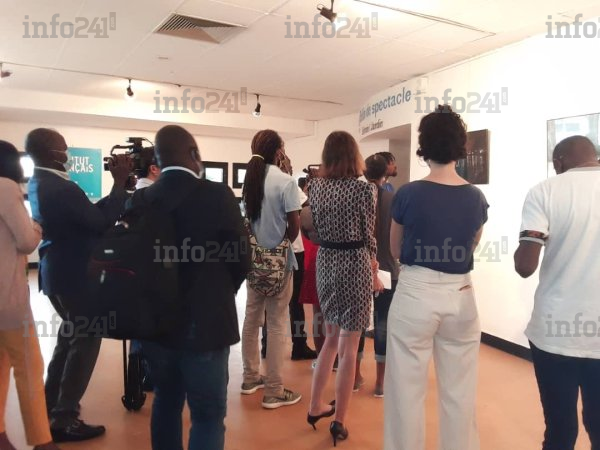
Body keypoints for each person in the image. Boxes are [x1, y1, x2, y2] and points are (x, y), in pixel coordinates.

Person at [130, 125, 249, 450]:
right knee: (208, 416)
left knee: (165, 402)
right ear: (194, 156)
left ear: (158, 160)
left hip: (155, 326)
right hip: (207, 324)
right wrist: (223, 291)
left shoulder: (141, 200)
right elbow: (242, 259)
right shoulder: (218, 195)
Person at [384, 105, 488, 450]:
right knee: (460, 392)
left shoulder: (408, 193)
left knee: (405, 389)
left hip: (416, 292)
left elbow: (395, 249)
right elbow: (472, 243)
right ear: (460, 147)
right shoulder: (476, 197)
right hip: (462, 295)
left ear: (424, 146)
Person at [26, 128, 130, 442]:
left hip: (56, 273)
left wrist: (116, 192)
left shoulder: (40, 182)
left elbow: (87, 216)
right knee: (86, 340)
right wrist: (119, 184)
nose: (67, 151)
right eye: (63, 147)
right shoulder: (61, 187)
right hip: (75, 275)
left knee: (69, 338)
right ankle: (65, 418)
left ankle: (50, 404)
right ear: (50, 153)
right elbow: (100, 223)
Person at [514, 135, 600, 450]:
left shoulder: (545, 191)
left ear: (558, 162)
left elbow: (525, 266)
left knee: (560, 430)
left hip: (554, 332)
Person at [307, 131, 382, 446]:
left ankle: (314, 406)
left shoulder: (316, 186)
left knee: (330, 340)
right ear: (354, 155)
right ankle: (339, 421)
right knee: (350, 347)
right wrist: (374, 270)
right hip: (354, 263)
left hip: (326, 261)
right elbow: (368, 236)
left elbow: (313, 227)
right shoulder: (364, 190)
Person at [0, 140, 60, 450]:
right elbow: (25, 240)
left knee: (2, 364)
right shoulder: (6, 187)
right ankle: (42, 440)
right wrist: (37, 227)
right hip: (8, 299)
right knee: (29, 366)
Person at [240, 129, 303, 409]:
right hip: (279, 264)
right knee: (277, 323)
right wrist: (280, 245)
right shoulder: (286, 181)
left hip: (253, 261)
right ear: (278, 151)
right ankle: (274, 390)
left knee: (251, 318)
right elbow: (294, 226)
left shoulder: (251, 179)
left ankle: (250, 378)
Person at [261, 159, 317, 361]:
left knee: (270, 301)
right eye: (289, 164)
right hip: (293, 249)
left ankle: (267, 344)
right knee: (295, 303)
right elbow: (307, 211)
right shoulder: (289, 185)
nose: (292, 168)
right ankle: (299, 345)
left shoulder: (262, 184)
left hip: (269, 248)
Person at [354, 154, 401, 397]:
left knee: (356, 323)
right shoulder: (394, 199)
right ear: (385, 173)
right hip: (387, 268)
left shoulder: (355, 195)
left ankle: (354, 376)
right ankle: (381, 382)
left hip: (358, 267)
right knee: (383, 323)